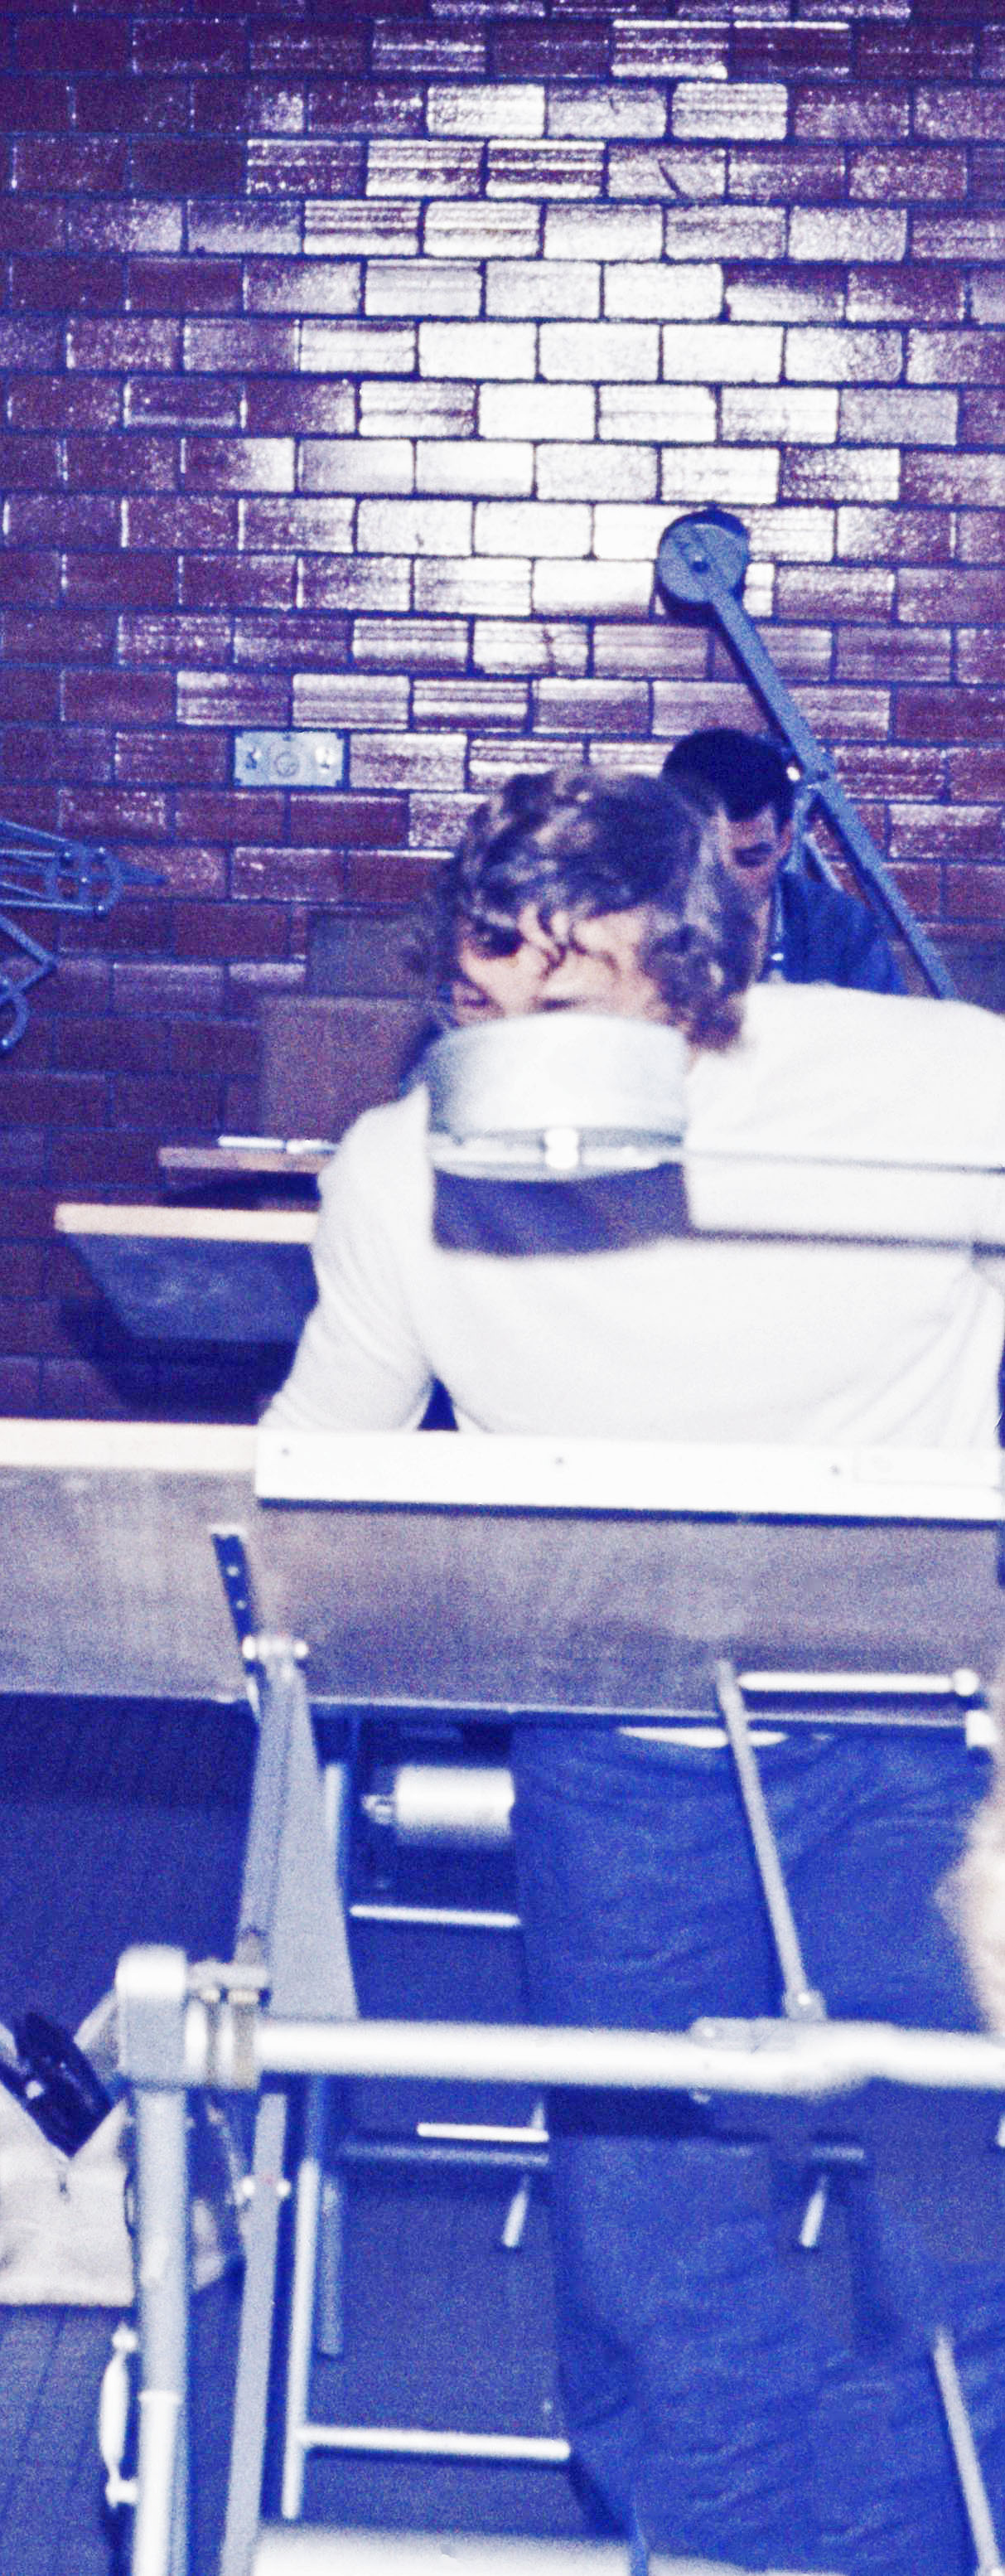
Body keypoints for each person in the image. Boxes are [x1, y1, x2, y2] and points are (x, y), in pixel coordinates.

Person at [268, 767, 1005, 2573]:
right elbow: (319, 1484)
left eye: (569, 1001)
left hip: (917, 1731)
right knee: (657, 2243)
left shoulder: (935, 1089)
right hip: (614, 1737)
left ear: (701, 989)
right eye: (477, 998)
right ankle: (717, 2552)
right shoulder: (401, 1171)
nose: (509, 1049)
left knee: (951, 2213)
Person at [660, 724, 901, 995]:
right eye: (706, 858)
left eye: (751, 858)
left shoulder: (843, 931)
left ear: (784, 840)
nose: (728, 880)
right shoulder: (637, 927)